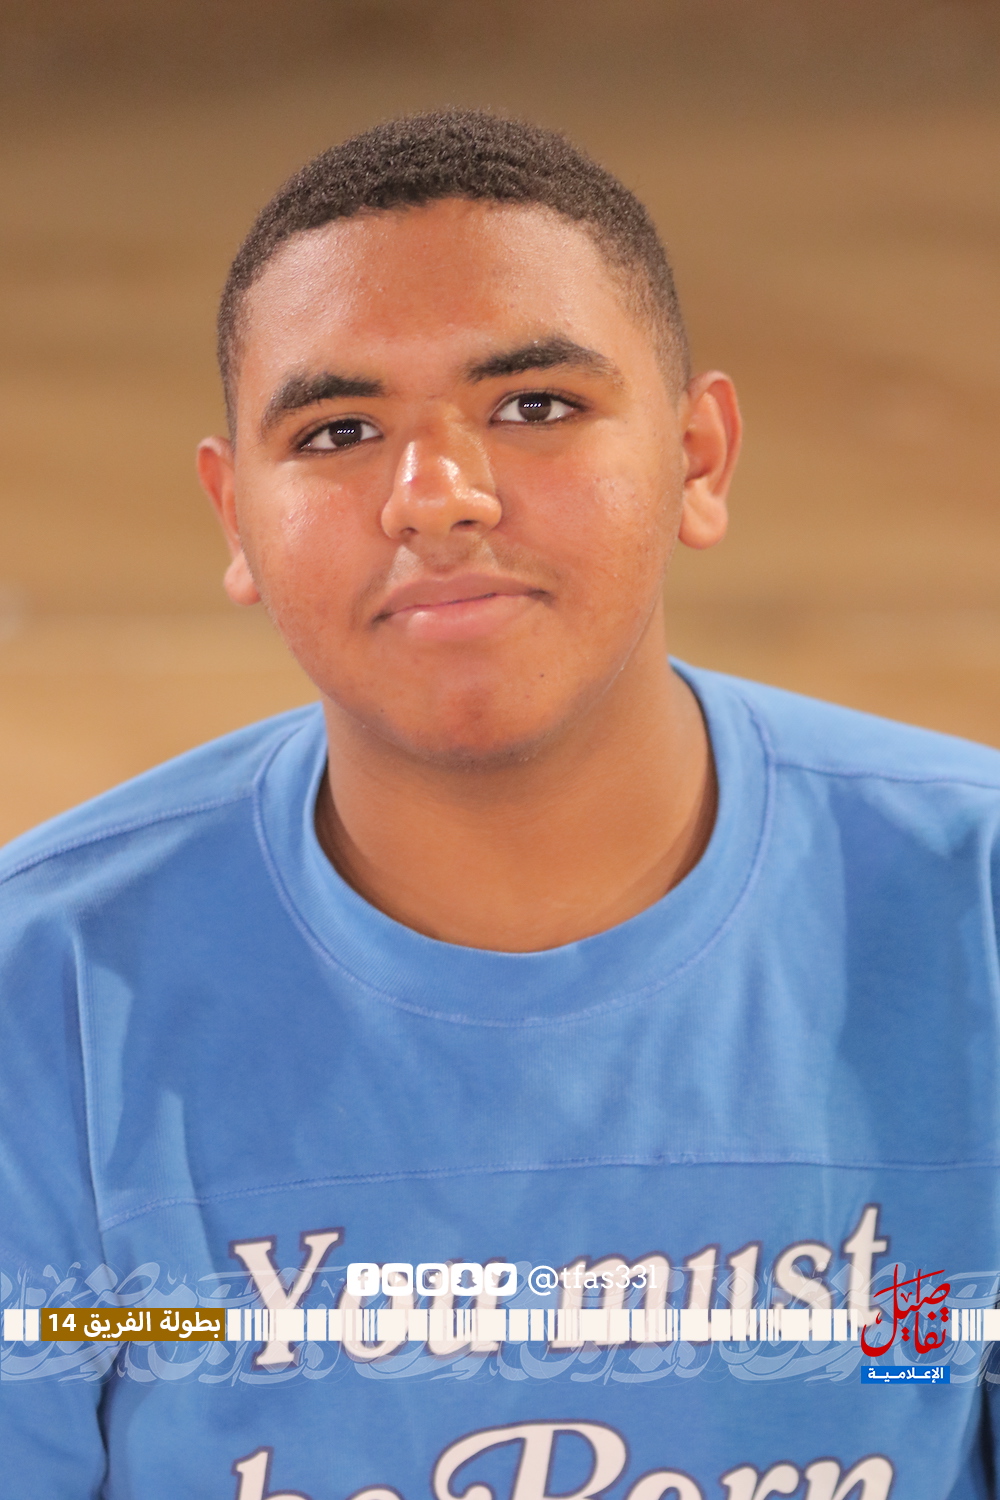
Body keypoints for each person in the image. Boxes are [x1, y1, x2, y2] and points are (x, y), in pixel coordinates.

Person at [1, 109, 998, 1500]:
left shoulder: (973, 910)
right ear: (235, 518)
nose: (437, 496)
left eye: (534, 406)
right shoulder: (44, 995)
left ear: (699, 458)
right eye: (341, 430)